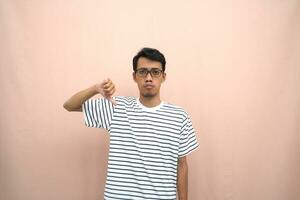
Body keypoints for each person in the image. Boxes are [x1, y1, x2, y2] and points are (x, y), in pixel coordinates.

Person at [63, 47, 199, 200]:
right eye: (142, 72)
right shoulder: (116, 107)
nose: (149, 78)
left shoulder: (179, 116)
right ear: (134, 77)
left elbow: (182, 165)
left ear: (163, 77)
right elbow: (69, 105)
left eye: (155, 72)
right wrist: (95, 89)